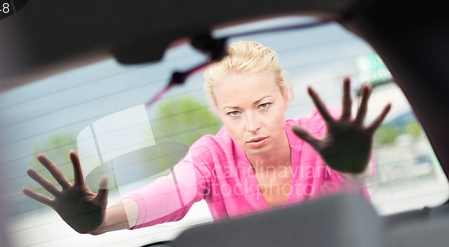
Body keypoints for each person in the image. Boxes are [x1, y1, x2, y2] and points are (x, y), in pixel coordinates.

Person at [23, 40, 391, 235]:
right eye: (234, 112)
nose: (252, 125)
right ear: (218, 112)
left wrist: (353, 164)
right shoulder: (213, 156)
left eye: (263, 105)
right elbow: (171, 191)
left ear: (286, 96)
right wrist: (101, 222)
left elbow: (355, 170)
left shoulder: (323, 134)